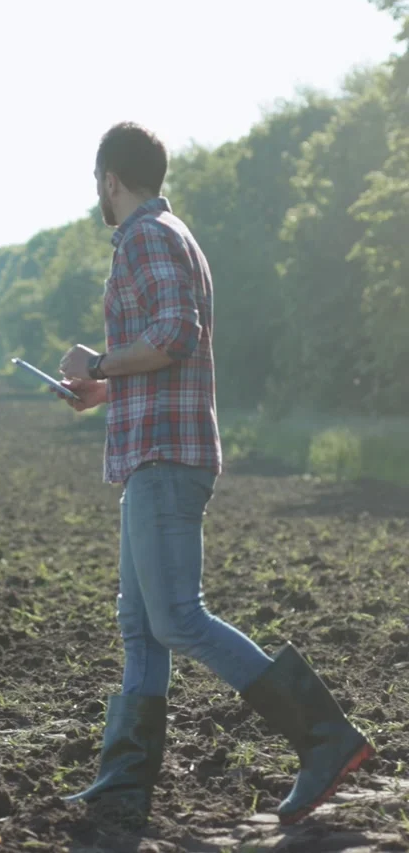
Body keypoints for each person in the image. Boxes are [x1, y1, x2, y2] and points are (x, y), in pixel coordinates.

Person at [56, 122, 374, 826]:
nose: (99, 195)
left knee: (176, 617)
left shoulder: (143, 236)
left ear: (111, 178)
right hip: (154, 452)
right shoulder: (176, 234)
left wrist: (100, 362)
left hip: (165, 458)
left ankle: (325, 738)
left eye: (97, 183)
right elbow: (170, 348)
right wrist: (100, 389)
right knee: (139, 624)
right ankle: (123, 782)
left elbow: (175, 336)